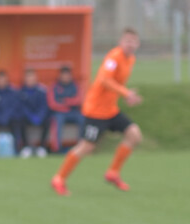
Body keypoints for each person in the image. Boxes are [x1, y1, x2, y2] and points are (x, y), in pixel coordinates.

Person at [51, 28, 142, 196]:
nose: (130, 44)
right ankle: (59, 178)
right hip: (96, 112)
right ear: (121, 42)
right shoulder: (113, 58)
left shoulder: (131, 60)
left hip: (111, 111)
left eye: (133, 41)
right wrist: (126, 93)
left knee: (134, 134)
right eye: (127, 40)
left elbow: (115, 84)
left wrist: (126, 96)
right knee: (87, 147)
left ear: (137, 44)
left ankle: (113, 173)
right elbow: (104, 79)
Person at [48, 65, 84, 153]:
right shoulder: (54, 86)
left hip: (73, 112)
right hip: (60, 113)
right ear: (60, 75)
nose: (66, 77)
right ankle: (57, 149)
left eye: (67, 75)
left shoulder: (75, 85)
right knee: (57, 120)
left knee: (83, 118)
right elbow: (52, 104)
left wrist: (65, 101)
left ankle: (81, 148)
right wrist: (67, 105)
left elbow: (79, 100)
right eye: (64, 75)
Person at [17, 68, 51, 157]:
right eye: (28, 77)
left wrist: (39, 116)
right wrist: (31, 116)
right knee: (20, 120)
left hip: (39, 117)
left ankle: (42, 147)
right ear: (25, 79)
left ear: (36, 78)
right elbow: (22, 107)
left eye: (32, 77)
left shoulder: (42, 90)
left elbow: (44, 106)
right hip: (27, 117)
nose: (30, 80)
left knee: (47, 120)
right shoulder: (21, 91)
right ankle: (26, 147)